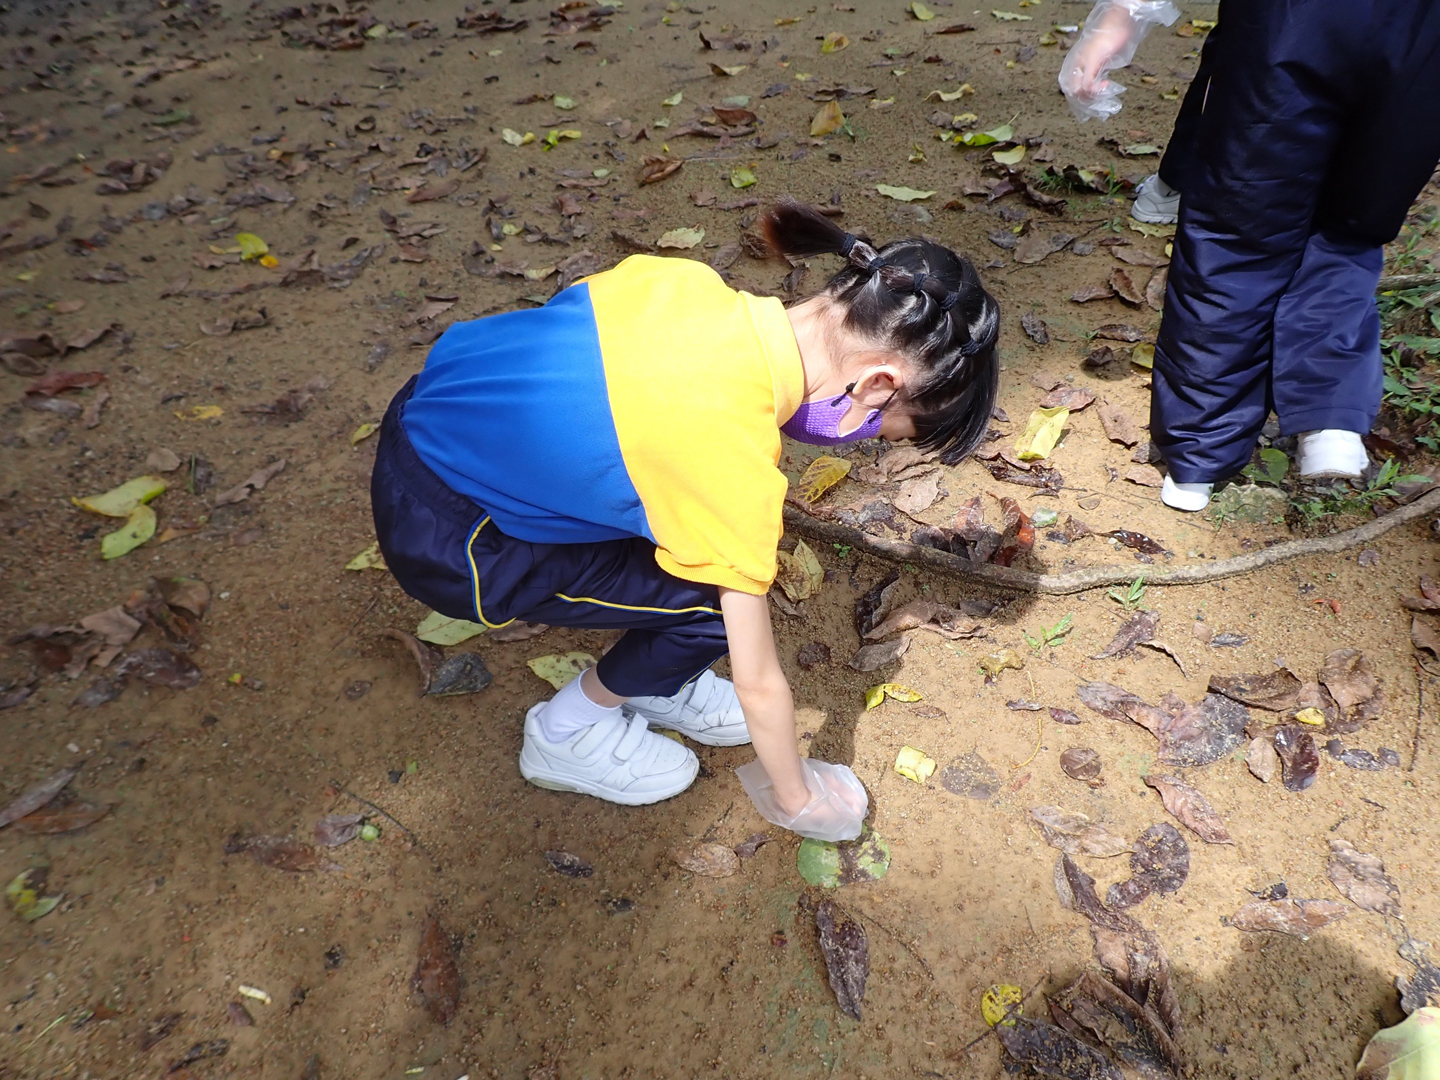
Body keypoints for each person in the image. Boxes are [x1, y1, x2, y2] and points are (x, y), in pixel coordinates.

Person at [369, 201, 1001, 839]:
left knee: (674, 527)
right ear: (875, 385)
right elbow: (758, 682)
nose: (868, 439)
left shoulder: (681, 283)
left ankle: (655, 680)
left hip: (427, 420)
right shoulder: (730, 463)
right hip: (455, 539)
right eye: (887, 430)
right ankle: (566, 732)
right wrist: (798, 797)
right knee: (707, 607)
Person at [1061, 0, 1440, 511]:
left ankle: (1197, 461)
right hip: (1423, 41)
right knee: (1349, 229)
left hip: (1291, 25)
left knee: (1235, 238)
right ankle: (1330, 416)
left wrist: (1122, 16)